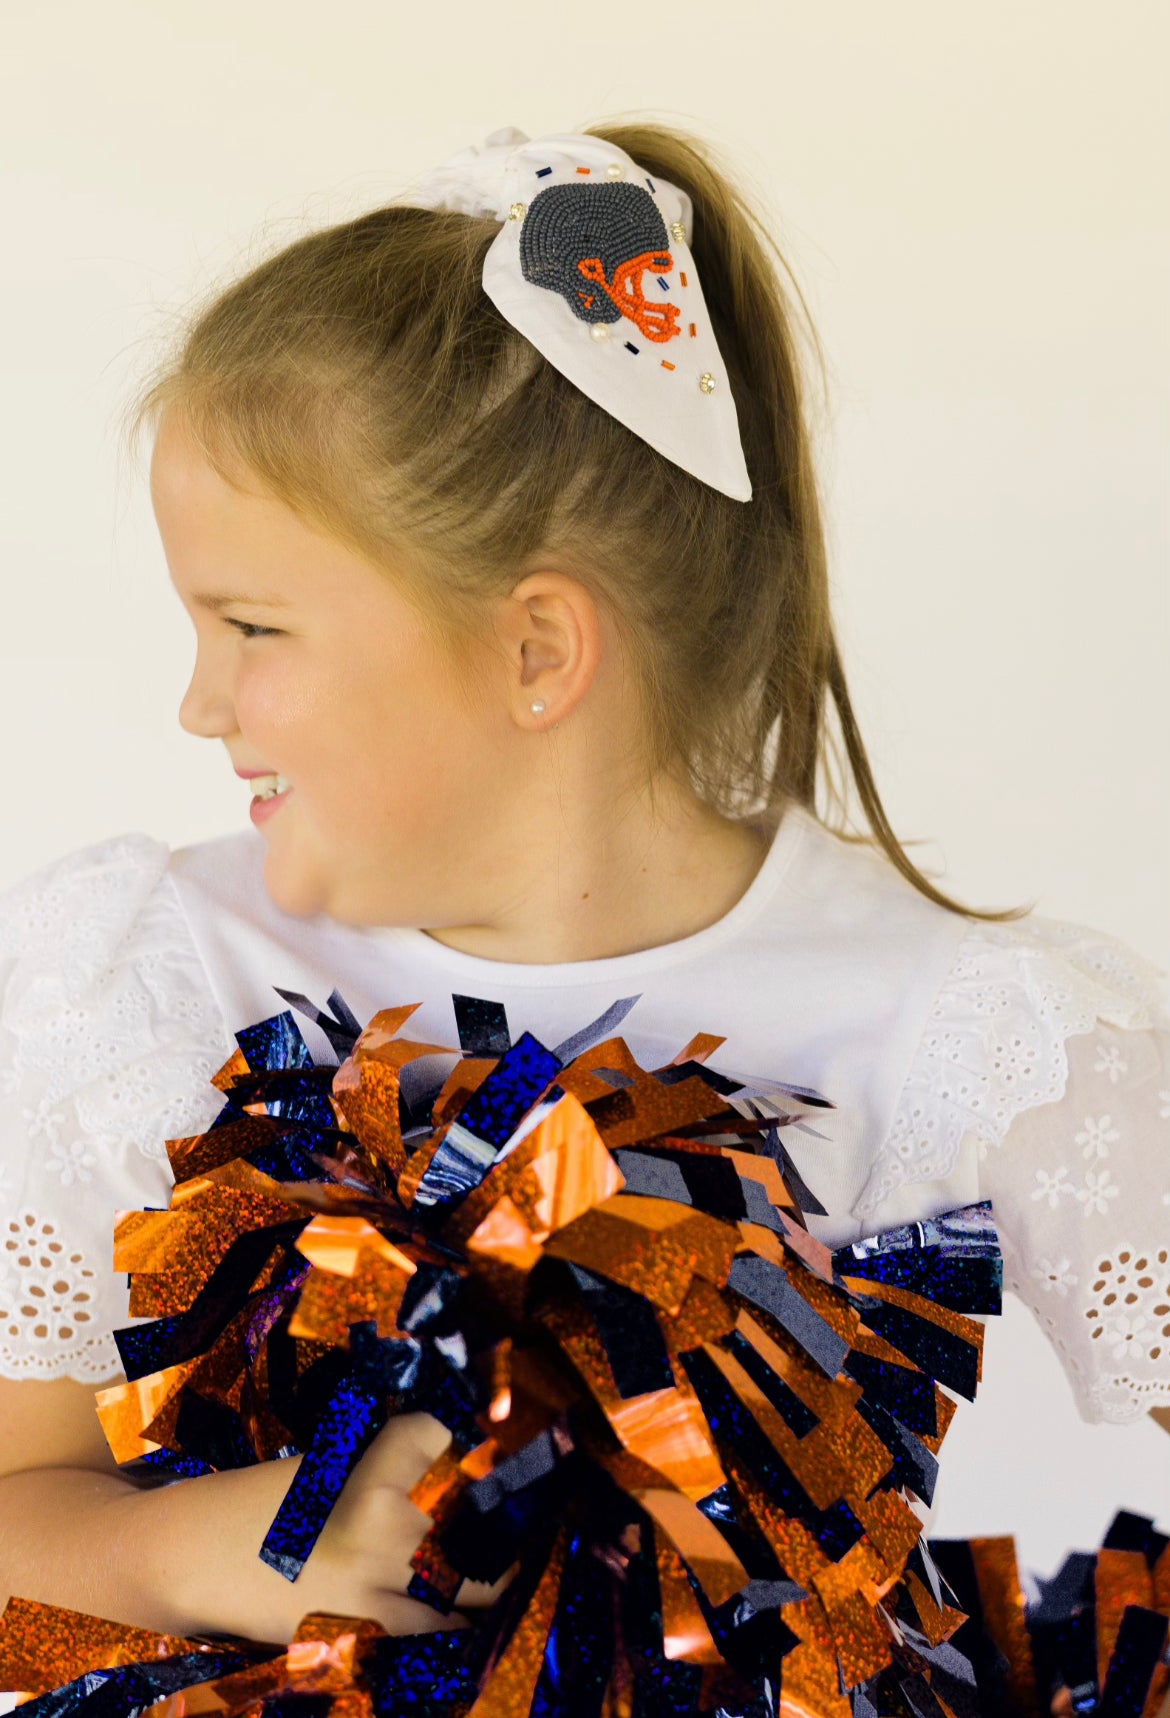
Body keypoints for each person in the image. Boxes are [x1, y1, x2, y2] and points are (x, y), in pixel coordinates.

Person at [0, 120, 1166, 1692]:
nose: (202, 701)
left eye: (254, 624)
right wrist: (209, 1545)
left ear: (537, 651)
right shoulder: (147, 986)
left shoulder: (959, 1028)